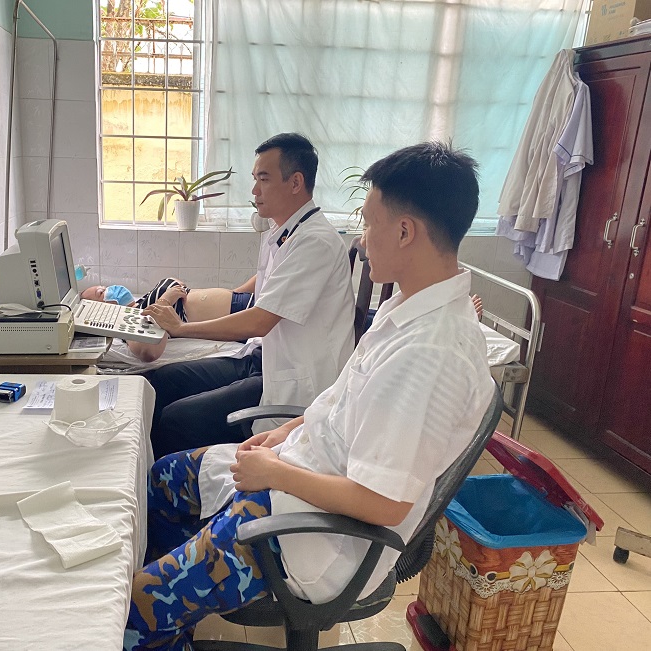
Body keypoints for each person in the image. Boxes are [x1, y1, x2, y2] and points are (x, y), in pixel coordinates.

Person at [123, 141, 494, 651]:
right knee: (161, 479)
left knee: (128, 611)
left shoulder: (429, 354)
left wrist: (273, 473)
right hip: (300, 469)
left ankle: (160, 613)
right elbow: (341, 398)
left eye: (369, 223)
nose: (362, 240)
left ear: (405, 231)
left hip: (312, 535)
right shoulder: (406, 309)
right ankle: (177, 611)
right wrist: (285, 432)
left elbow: (384, 503)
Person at [142, 133, 355, 458]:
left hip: (290, 381)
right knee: (162, 381)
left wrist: (181, 328)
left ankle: (168, 484)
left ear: (296, 182)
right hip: (264, 358)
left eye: (263, 179)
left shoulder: (315, 242)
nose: (254, 190)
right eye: (255, 179)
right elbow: (267, 283)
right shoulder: (284, 231)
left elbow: (260, 321)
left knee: (176, 420)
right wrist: (231, 295)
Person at [80, 279, 256, 362]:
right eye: (101, 292)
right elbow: (148, 353)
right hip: (243, 316)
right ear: (100, 309)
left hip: (245, 299)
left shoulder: (144, 301)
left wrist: (238, 292)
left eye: (105, 286)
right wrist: (165, 300)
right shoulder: (131, 324)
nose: (110, 288)